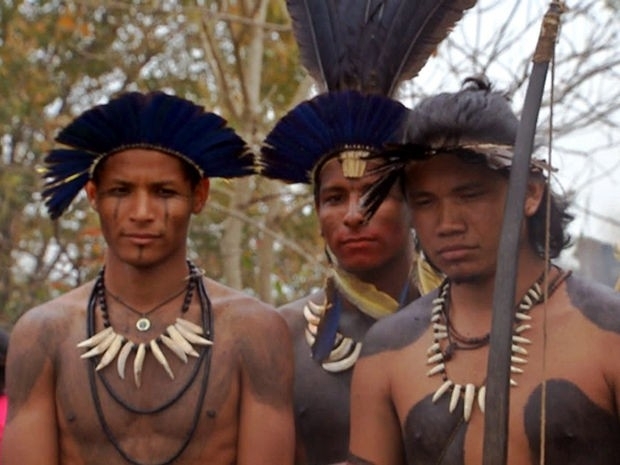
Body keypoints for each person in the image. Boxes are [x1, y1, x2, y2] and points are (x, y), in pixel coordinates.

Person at [3, 91, 295, 465]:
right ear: (93, 196)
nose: (142, 212)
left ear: (199, 195)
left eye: (164, 192)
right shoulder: (42, 335)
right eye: (121, 191)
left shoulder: (253, 331)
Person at [347, 77, 620, 464]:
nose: (447, 223)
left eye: (469, 195)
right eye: (425, 202)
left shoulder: (608, 333)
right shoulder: (387, 352)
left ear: (529, 193)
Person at [261, 90, 438, 465]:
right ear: (317, 211)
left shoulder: (469, 323)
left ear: (413, 205)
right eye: (335, 198)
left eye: (374, 194)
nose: (354, 215)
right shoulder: (280, 335)